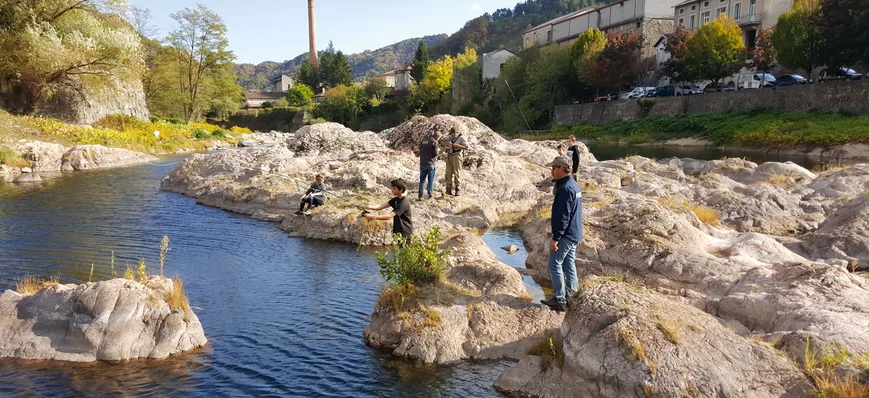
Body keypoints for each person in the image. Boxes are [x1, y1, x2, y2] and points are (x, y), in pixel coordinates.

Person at [541, 156, 583, 312]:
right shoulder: (573, 184)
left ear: (560, 168)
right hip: (574, 232)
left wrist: (556, 238)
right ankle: (572, 295)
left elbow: (563, 216)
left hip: (565, 234)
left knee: (554, 264)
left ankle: (560, 300)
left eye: (553, 168)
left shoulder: (565, 188)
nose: (551, 171)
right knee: (568, 264)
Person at [442, 127, 469, 196]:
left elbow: (466, 147)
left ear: (457, 133)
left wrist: (454, 145)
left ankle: (458, 189)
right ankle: (448, 190)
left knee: (457, 173)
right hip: (449, 155)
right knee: (448, 172)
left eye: (454, 134)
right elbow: (443, 140)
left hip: (457, 156)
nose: (453, 135)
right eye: (452, 134)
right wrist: (446, 143)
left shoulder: (461, 138)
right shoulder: (450, 137)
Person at [418, 131, 441, 201]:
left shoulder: (424, 140)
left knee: (422, 180)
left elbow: (420, 149)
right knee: (431, 180)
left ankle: (420, 196)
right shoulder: (434, 142)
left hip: (422, 163)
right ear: (438, 137)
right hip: (430, 163)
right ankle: (430, 195)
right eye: (439, 138)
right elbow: (436, 153)